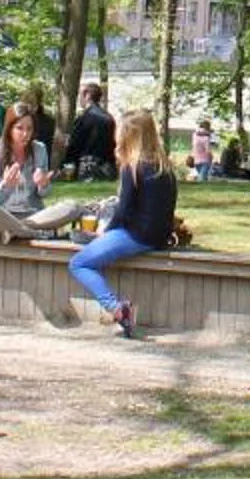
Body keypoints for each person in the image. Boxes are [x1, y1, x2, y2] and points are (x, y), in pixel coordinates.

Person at [68, 108, 177, 337]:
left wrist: (105, 232)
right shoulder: (164, 167)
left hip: (136, 235)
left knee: (79, 263)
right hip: (159, 236)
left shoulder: (133, 167)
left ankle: (117, 309)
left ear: (128, 135)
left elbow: (124, 211)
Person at [0, 103, 97, 242]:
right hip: (2, 215)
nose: (25, 134)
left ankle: (16, 231)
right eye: (19, 128)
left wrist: (43, 185)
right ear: (9, 128)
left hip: (32, 217)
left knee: (73, 207)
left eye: (29, 129)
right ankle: (33, 234)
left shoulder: (39, 149)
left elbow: (43, 194)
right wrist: (5, 186)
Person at [63, 81, 116, 182]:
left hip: (88, 168)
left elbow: (75, 145)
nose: (79, 99)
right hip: (108, 167)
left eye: (80, 95)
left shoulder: (84, 118)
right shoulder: (109, 118)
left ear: (87, 95)